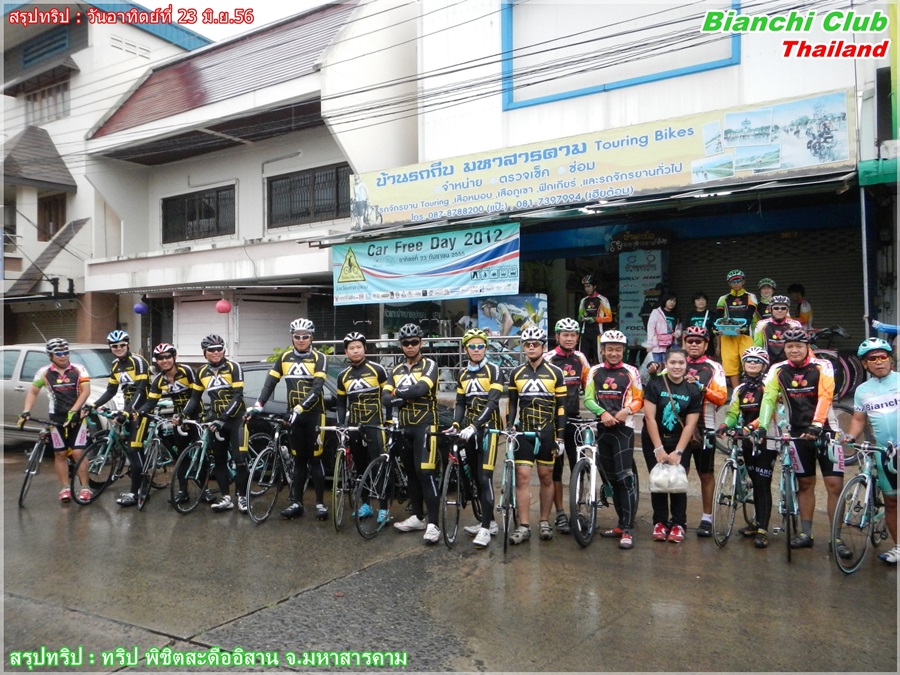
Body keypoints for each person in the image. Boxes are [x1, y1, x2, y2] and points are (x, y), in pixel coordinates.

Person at [752, 328, 842, 552]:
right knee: (805, 484)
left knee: (834, 485)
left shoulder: (823, 365)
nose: (794, 350)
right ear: (784, 348)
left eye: (799, 346)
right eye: (789, 346)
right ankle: (806, 533)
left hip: (827, 430)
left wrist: (817, 424)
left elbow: (825, 395)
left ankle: (836, 538)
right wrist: (762, 426)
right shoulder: (777, 369)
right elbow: (769, 398)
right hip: (797, 434)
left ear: (807, 347)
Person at [250, 318, 329, 521]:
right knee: (299, 460)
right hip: (294, 416)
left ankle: (320, 504)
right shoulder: (284, 358)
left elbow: (317, 388)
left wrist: (299, 409)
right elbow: (270, 383)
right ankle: (297, 503)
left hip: (314, 415)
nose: (301, 340)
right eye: (297, 336)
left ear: (312, 338)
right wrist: (258, 404)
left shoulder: (319, 358)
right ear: (292, 337)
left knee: (315, 459)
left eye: (305, 336)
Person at [583, 329, 644, 549]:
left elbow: (639, 398)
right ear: (603, 350)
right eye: (610, 349)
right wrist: (602, 413)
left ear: (623, 351)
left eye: (618, 349)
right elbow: (588, 399)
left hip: (623, 429)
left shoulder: (631, 371)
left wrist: (627, 410)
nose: (614, 353)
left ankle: (628, 529)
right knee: (610, 479)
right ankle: (620, 523)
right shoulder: (594, 371)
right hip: (603, 427)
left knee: (624, 478)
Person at [506, 326, 567, 544]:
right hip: (524, 431)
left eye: (535, 344)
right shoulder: (516, 373)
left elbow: (561, 407)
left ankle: (544, 521)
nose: (531, 348)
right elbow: (512, 403)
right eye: (527, 344)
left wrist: (560, 437)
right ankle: (524, 526)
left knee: (546, 477)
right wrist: (510, 426)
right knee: (522, 477)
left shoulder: (556, 373)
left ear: (543, 346)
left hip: (547, 432)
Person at [383, 323, 443, 544]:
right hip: (405, 428)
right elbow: (384, 398)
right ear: (401, 345)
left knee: (425, 473)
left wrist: (397, 394)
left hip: (426, 427)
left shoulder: (430, 365)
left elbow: (421, 389)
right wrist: (403, 397)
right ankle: (418, 517)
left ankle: (434, 524)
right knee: (411, 474)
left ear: (421, 343)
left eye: (414, 342)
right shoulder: (396, 369)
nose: (410, 346)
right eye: (406, 343)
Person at [447, 328, 506, 548]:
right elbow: (460, 403)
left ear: (486, 348)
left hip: (489, 430)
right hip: (470, 431)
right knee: (474, 476)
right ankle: (488, 522)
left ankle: (485, 529)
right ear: (465, 350)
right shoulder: (462, 374)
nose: (476, 349)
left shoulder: (494, 370)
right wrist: (456, 424)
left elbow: (492, 403)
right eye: (472, 346)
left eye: (480, 345)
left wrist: (474, 426)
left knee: (485, 477)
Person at [716, 347, 779, 548]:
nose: (752, 363)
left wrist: (749, 428)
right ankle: (755, 523)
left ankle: (762, 529)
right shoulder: (740, 389)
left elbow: (768, 412)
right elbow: (733, 412)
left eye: (757, 361)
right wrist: (725, 425)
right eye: (749, 360)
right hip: (747, 439)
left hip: (767, 438)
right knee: (754, 479)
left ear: (764, 365)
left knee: (762, 483)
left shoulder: (769, 386)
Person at [843, 338, 898, 564]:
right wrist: (850, 436)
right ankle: (898, 547)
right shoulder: (863, 391)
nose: (878, 362)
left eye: (883, 357)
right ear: (865, 364)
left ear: (891, 360)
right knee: (892, 501)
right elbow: (858, 419)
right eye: (872, 359)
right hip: (883, 451)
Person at [17, 338, 92, 502]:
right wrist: (26, 411)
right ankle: (65, 488)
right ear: (50, 356)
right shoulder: (44, 373)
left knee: (78, 452)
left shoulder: (79, 369)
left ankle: (85, 487)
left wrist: (74, 410)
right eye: (58, 353)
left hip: (77, 417)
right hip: (56, 418)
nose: (63, 356)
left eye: (66, 352)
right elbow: (33, 392)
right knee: (60, 453)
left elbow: (86, 391)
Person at [641, 348, 703, 543]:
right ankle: (659, 522)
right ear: (666, 364)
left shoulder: (692, 389)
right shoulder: (655, 384)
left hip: (679, 439)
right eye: (673, 362)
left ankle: (678, 524)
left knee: (677, 482)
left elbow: (691, 424)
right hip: (654, 438)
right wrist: (658, 448)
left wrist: (678, 451)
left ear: (686, 365)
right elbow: (649, 418)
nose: (677, 366)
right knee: (658, 481)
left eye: (681, 363)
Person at [183, 335, 249, 513]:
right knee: (219, 460)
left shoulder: (234, 367)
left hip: (236, 419)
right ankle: (226, 498)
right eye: (211, 350)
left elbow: (238, 396)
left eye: (219, 348)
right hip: (216, 421)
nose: (216, 352)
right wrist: (182, 415)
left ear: (224, 350)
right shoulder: (201, 372)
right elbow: (195, 398)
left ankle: (242, 497)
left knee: (240, 460)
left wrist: (223, 418)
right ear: (204, 352)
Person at [135, 342, 203, 505]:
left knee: (201, 455)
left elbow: (195, 396)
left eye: (167, 357)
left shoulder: (186, 371)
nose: (164, 360)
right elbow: (151, 402)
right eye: (160, 358)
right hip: (178, 419)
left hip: (195, 416)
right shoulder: (159, 379)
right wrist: (137, 413)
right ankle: (183, 492)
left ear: (174, 357)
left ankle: (204, 490)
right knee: (181, 457)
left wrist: (185, 414)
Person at [90, 330, 151, 507]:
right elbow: (111, 391)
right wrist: (93, 405)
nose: (118, 348)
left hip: (142, 410)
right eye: (114, 346)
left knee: (134, 450)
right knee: (133, 451)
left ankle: (137, 492)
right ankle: (143, 483)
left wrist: (128, 412)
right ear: (110, 347)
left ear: (128, 345)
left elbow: (141, 390)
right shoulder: (115, 365)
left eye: (122, 345)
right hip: (128, 409)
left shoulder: (138, 361)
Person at [335, 331, 388, 523]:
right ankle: (366, 504)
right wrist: (341, 425)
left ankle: (384, 507)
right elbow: (341, 404)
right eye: (351, 348)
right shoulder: (343, 376)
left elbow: (388, 396)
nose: (355, 351)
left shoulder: (377, 370)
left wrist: (389, 421)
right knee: (360, 466)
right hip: (355, 427)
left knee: (378, 466)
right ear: (346, 352)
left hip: (375, 425)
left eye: (359, 347)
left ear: (365, 348)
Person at [544, 317, 590, 535]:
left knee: (577, 467)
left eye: (573, 335)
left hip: (574, 419)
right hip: (552, 422)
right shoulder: (548, 359)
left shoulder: (581, 358)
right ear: (557, 337)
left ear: (577, 337)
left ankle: (577, 512)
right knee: (555, 471)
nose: (569, 338)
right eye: (565, 335)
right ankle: (560, 513)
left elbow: (590, 386)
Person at [682, 325, 728, 537]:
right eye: (690, 341)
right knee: (679, 473)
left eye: (698, 341)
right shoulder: (677, 362)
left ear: (706, 344)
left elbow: (721, 397)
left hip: (705, 426)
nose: (693, 344)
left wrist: (701, 387)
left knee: (706, 474)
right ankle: (678, 518)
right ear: (684, 343)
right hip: (679, 426)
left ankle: (707, 518)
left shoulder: (714, 367)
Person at [716, 270, 758, 388]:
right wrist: (716, 328)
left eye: (738, 280)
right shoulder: (723, 298)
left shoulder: (750, 296)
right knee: (729, 363)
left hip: (745, 334)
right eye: (733, 281)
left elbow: (750, 313)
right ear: (729, 283)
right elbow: (718, 316)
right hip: (727, 334)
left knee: (749, 361)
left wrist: (744, 326)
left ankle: (750, 389)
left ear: (743, 281)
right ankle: (737, 391)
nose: (736, 283)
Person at [753, 294, 801, 364]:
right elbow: (757, 346)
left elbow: (800, 346)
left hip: (788, 364)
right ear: (770, 309)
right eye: (776, 308)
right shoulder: (761, 324)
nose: (779, 310)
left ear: (788, 310)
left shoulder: (795, 324)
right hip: (767, 364)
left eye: (783, 308)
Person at [578, 274, 613, 365]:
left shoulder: (603, 300)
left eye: (588, 286)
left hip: (597, 333)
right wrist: (582, 318)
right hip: (585, 333)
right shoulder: (583, 300)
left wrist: (595, 319)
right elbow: (579, 316)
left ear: (595, 286)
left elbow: (609, 318)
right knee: (582, 359)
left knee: (599, 358)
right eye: (585, 287)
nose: (586, 289)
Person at [646, 292, 681, 364]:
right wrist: (649, 343)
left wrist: (677, 333)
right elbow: (650, 328)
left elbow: (679, 328)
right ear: (665, 300)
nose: (672, 303)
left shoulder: (676, 314)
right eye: (670, 300)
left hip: (670, 346)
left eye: (674, 301)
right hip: (656, 346)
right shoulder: (656, 312)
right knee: (657, 366)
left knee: (668, 366)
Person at [684, 292, 716, 357]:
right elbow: (685, 331)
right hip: (693, 344)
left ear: (706, 301)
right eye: (698, 300)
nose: (701, 302)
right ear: (694, 302)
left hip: (708, 345)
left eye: (703, 299)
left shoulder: (711, 314)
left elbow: (717, 331)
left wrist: (718, 346)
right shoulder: (690, 315)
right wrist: (684, 345)